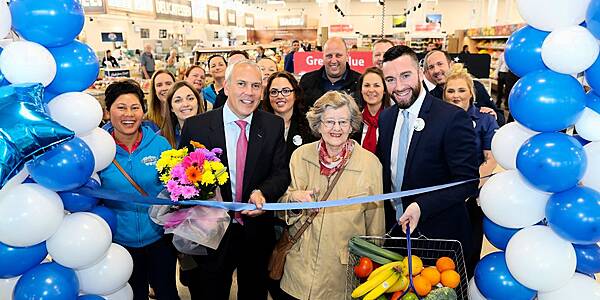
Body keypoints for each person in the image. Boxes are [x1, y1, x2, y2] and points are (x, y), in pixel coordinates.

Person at [178, 60, 291, 300]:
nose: (249, 92)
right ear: (226, 87)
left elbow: (280, 172)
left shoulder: (272, 125)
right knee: (211, 292)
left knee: (254, 293)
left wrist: (263, 192)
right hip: (211, 233)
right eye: (241, 84)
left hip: (256, 234)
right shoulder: (196, 127)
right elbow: (182, 178)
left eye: (255, 86)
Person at [376, 46, 479, 270]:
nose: (399, 86)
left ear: (420, 72)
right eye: (390, 79)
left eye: (406, 76)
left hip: (439, 240)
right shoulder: (386, 119)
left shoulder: (452, 118)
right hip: (396, 238)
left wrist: (421, 206)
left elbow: (468, 182)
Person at [278, 91, 385, 300]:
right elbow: (282, 208)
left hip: (342, 273)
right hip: (299, 269)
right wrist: (294, 201)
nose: (336, 129)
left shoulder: (369, 163)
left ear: (352, 125)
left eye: (343, 122)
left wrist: (371, 268)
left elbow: (375, 223)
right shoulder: (300, 156)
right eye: (329, 122)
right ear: (318, 124)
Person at [99, 80, 180, 300]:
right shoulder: (98, 151)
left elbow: (175, 187)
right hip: (119, 243)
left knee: (167, 292)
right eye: (121, 107)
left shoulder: (160, 145)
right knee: (134, 294)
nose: (129, 114)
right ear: (108, 112)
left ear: (143, 111)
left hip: (159, 238)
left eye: (135, 107)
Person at [443, 63, 498, 278]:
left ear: (471, 94)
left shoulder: (485, 120)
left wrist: (468, 187)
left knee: (469, 251)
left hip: (472, 199)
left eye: (461, 90)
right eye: (451, 91)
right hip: (444, 199)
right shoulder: (438, 119)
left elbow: (490, 159)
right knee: (444, 252)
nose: (456, 96)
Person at [424, 49, 505, 126]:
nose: (436, 70)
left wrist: (493, 116)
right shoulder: (430, 97)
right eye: (431, 67)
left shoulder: (475, 87)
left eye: (440, 64)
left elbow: (501, 118)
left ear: (451, 64)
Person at [263, 71, 316, 162]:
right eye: (274, 92)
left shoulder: (309, 126)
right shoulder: (259, 125)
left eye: (286, 91)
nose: (279, 96)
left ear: (295, 94)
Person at [299, 37, 361, 110]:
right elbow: (300, 113)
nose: (333, 61)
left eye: (338, 55)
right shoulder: (307, 81)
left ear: (347, 56)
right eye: (329, 56)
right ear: (323, 57)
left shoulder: (360, 82)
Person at [352, 67, 392, 153]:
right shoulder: (355, 120)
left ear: (385, 90)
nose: (371, 90)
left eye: (376, 85)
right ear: (361, 90)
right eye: (367, 85)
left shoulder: (393, 120)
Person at [162, 81, 206, 148]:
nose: (185, 104)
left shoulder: (213, 132)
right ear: (171, 108)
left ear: (198, 102)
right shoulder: (161, 138)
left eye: (190, 98)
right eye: (178, 100)